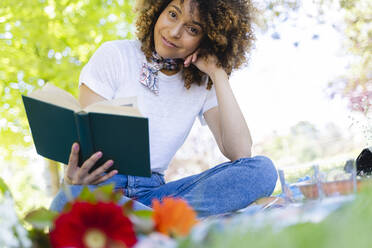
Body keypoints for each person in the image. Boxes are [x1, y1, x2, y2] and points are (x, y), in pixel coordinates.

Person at [50, 0, 278, 218]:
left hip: (155, 194)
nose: (175, 31)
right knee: (65, 202)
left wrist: (218, 74)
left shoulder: (202, 84)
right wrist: (73, 182)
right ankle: (163, 225)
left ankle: (140, 224)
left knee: (261, 170)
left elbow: (240, 152)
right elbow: (87, 142)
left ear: (208, 39)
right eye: (172, 14)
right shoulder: (115, 55)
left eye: (192, 29)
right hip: (99, 188)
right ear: (157, 9)